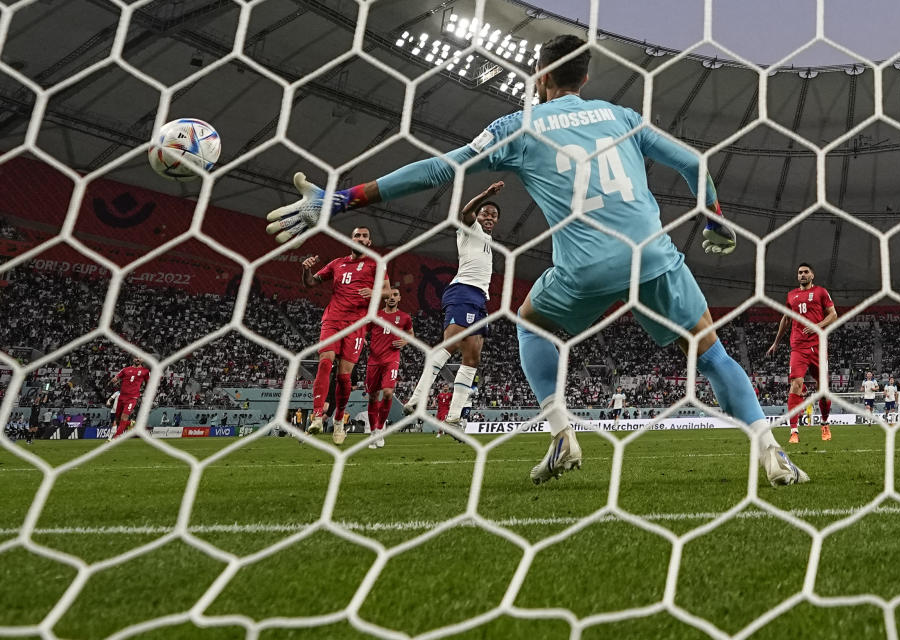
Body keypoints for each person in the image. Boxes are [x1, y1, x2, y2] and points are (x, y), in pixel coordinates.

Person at [265, 34, 808, 487]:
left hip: (586, 268)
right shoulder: (621, 115)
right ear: (585, 79)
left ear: (540, 75)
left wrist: (341, 198)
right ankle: (768, 449)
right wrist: (712, 218)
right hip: (653, 258)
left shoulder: (518, 128)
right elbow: (695, 163)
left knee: (530, 326)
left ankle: (562, 436)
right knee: (710, 355)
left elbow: (438, 170)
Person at [403, 182, 503, 432]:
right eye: (486, 212)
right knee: (451, 344)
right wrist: (485, 194)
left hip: (480, 298)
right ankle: (416, 398)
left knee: (472, 356)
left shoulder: (488, 240)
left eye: (494, 215)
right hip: (463, 291)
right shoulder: (470, 228)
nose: (489, 217)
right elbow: (466, 212)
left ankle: (454, 417)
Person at [301, 226, 391, 444]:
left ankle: (339, 421)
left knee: (344, 377)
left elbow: (388, 291)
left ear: (369, 242)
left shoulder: (376, 264)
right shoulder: (336, 264)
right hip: (332, 320)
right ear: (350, 240)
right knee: (325, 362)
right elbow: (311, 283)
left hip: (356, 325)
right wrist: (306, 270)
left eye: (364, 236)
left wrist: (374, 292)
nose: (360, 238)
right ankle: (316, 417)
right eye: (356, 235)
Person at [767, 263, 837, 443]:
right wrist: (776, 342)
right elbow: (785, 319)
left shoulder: (821, 292)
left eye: (806, 272)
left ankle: (824, 423)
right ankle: (794, 432)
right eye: (800, 272)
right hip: (798, 346)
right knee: (796, 383)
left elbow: (833, 315)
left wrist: (817, 326)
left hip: (819, 347)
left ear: (812, 275)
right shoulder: (791, 295)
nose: (802, 275)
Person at [365, 287, 413, 449]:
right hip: (373, 360)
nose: (392, 297)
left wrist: (405, 341)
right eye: (389, 295)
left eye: (396, 295)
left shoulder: (405, 317)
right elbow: (363, 330)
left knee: (387, 393)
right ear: (384, 298)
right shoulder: (375, 316)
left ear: (400, 298)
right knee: (373, 397)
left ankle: (380, 428)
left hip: (391, 359)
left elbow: (411, 334)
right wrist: (363, 339)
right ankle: (373, 433)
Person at [108, 356, 150, 439]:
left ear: (143, 360)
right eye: (136, 357)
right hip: (122, 396)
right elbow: (117, 377)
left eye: (140, 358)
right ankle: (131, 423)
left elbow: (149, 384)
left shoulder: (145, 371)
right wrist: (115, 379)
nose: (138, 359)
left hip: (132, 397)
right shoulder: (125, 369)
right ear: (133, 359)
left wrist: (145, 395)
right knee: (118, 419)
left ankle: (116, 437)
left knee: (124, 416)